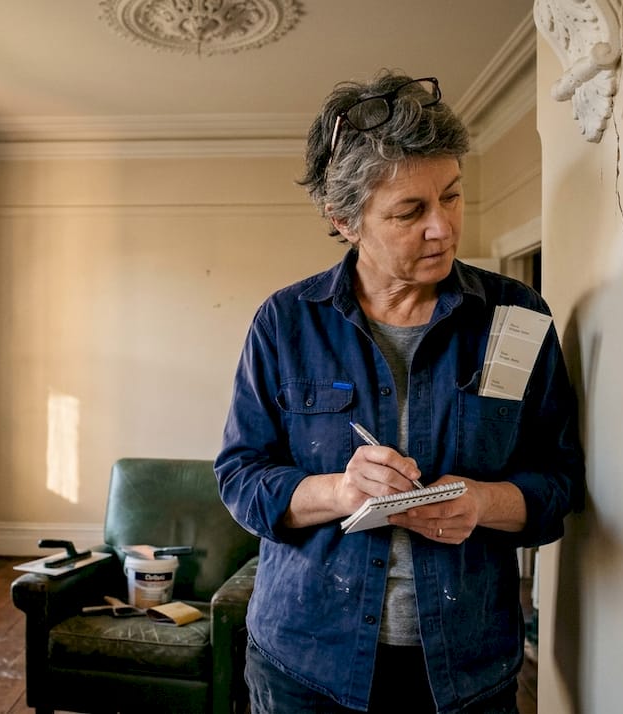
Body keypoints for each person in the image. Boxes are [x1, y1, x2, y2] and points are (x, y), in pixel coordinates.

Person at [215, 70, 584, 713]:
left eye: (452, 196)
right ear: (345, 221)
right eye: (410, 212)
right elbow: (240, 479)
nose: (442, 228)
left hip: (466, 669)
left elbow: (559, 482)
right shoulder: (285, 322)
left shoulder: (517, 318)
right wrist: (339, 490)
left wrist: (484, 501)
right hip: (307, 664)